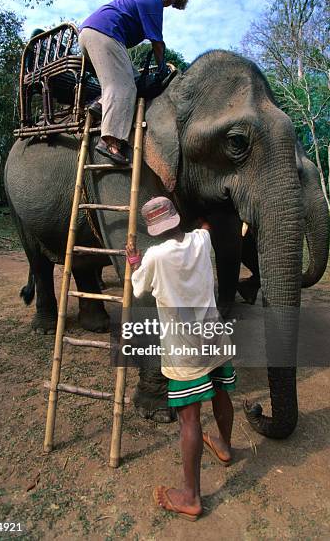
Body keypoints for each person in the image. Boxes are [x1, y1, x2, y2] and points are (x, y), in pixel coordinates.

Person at [126, 197, 236, 521]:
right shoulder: (202, 240)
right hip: (215, 337)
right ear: (177, 218)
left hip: (184, 350)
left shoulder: (154, 256)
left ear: (152, 228)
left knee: (190, 420)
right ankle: (226, 447)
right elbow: (204, 226)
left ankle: (190, 497)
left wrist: (133, 261)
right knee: (222, 394)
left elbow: (137, 290)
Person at [79, 0, 191, 165]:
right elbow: (157, 43)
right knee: (125, 87)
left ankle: (101, 103)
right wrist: (162, 68)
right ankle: (110, 142)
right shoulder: (153, 0)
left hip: (93, 33)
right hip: (104, 33)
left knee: (133, 78)